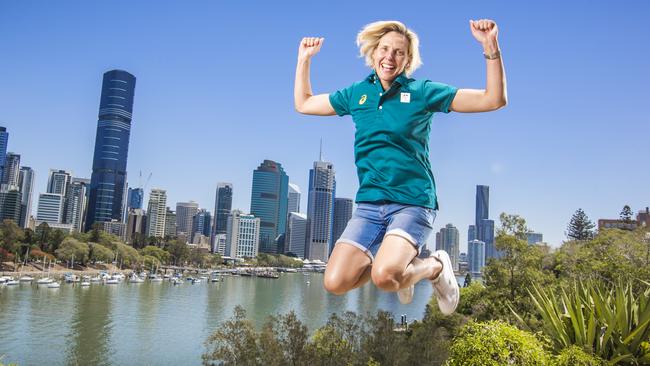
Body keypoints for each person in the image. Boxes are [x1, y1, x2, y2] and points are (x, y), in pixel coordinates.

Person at [294, 19, 506, 314]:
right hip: (369, 206)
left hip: (412, 202)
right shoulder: (358, 94)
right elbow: (303, 103)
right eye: (384, 49)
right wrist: (304, 59)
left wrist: (490, 46)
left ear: (408, 60)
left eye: (398, 52)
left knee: (385, 276)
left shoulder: (422, 91)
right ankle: (400, 266)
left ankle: (433, 266)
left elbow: (493, 99)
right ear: (373, 52)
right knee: (335, 281)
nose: (389, 57)